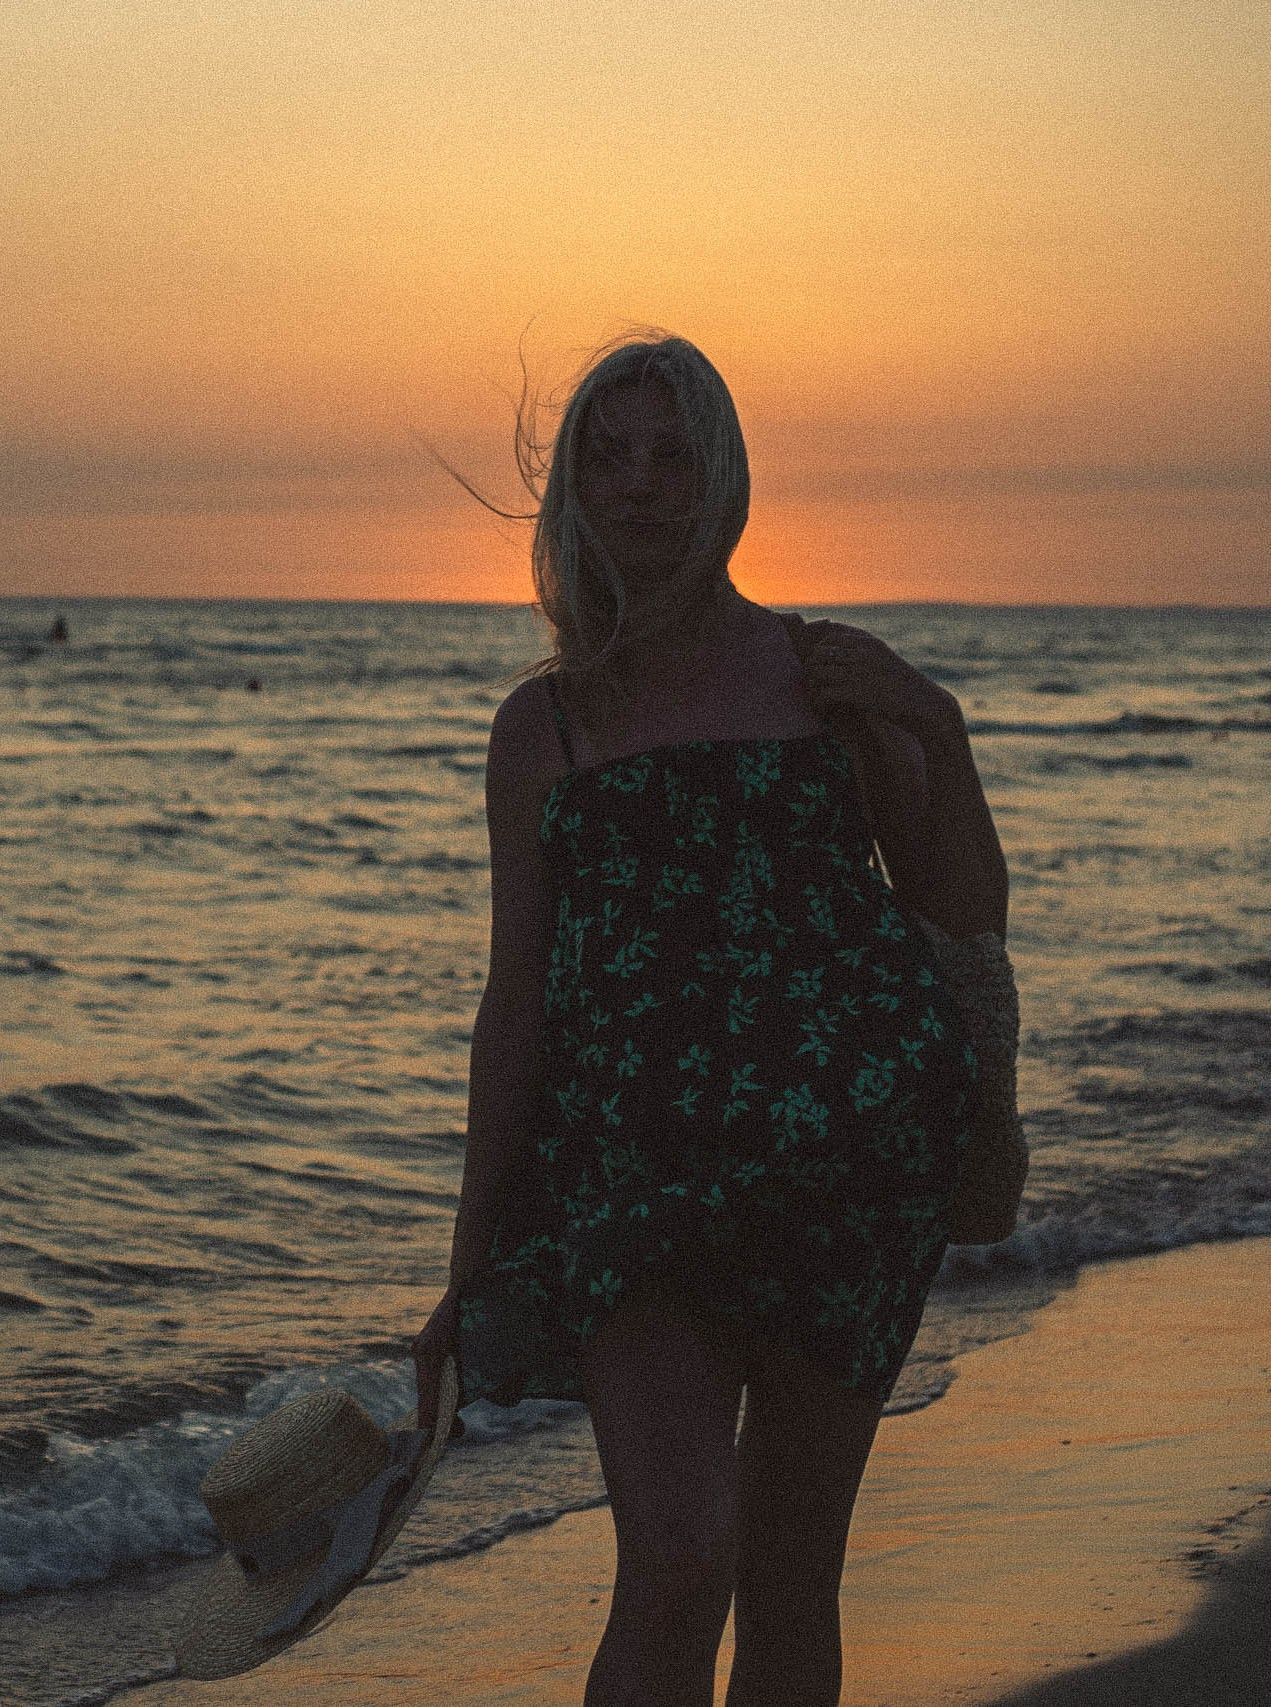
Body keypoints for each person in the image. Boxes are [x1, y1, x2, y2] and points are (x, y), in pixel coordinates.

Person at [408, 333, 1008, 1707]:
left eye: (668, 452)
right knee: (679, 1561)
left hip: (851, 1175)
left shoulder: (823, 675)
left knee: (792, 1579)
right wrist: (467, 1266)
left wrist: (940, 726)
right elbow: (518, 1005)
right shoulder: (542, 728)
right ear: (569, 489)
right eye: (604, 456)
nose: (636, 484)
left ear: (722, 477)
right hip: (635, 1192)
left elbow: (962, 907)